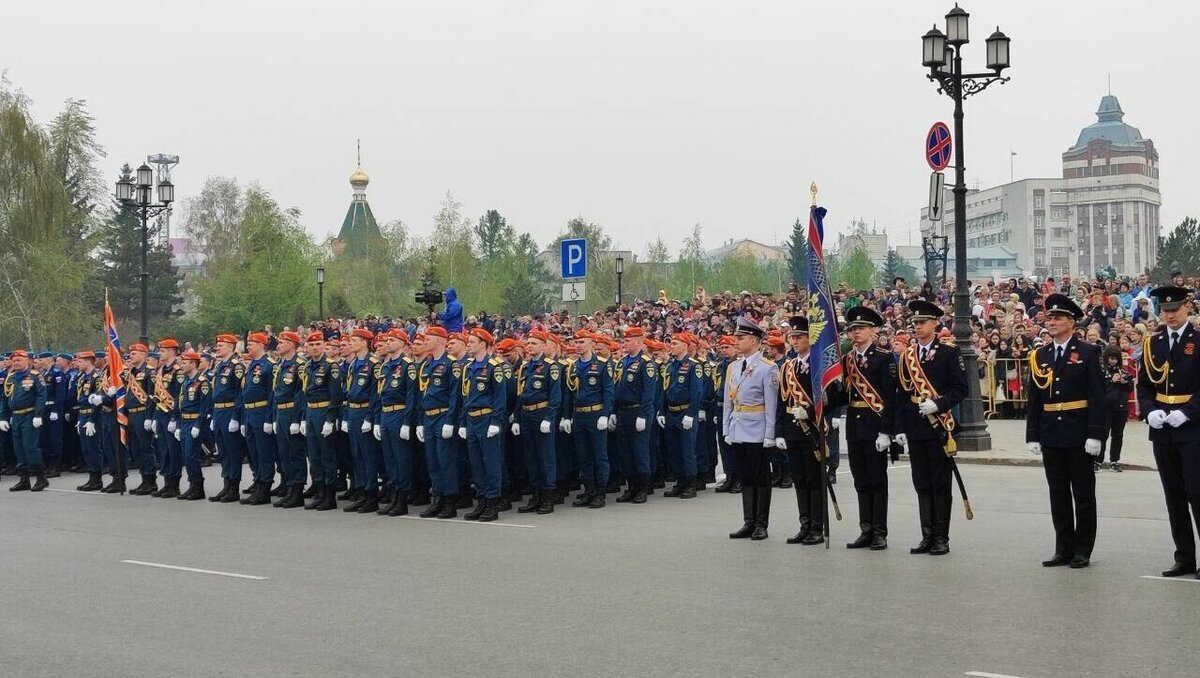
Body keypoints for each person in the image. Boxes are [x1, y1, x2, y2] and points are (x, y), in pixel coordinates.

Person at [1026, 293, 1104, 569]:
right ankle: (1063, 547)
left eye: (1058, 318)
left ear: (1072, 322)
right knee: (1057, 493)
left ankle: (1082, 549)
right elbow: (1035, 398)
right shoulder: (1040, 355)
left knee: (1083, 494)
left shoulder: (1088, 352)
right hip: (1050, 432)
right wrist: (1032, 434)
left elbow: (1097, 397)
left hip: (1079, 431)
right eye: (1050, 318)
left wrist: (1096, 434)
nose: (1053, 322)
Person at [1137, 286, 1200, 578]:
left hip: (1192, 427)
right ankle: (1184, 556)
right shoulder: (1154, 343)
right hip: (1163, 428)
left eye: (1175, 310)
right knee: (1173, 495)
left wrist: (1187, 412)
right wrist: (1149, 410)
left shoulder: (1197, 341)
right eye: (1165, 311)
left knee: (1197, 493)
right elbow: (1145, 385)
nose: (1171, 315)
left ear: (1187, 308)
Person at [895, 300, 968, 556]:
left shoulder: (949, 353)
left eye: (922, 322)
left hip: (939, 426)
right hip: (916, 425)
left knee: (939, 484)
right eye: (914, 323)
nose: (917, 327)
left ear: (935, 324)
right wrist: (901, 427)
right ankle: (927, 535)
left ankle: (941, 537)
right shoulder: (907, 356)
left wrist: (938, 404)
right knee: (921, 483)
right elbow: (902, 394)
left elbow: (961, 389)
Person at [838, 306, 897, 551]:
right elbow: (841, 394)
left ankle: (880, 531)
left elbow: (890, 398)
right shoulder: (847, 360)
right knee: (860, 480)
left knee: (876, 481)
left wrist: (887, 430)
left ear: (873, 331)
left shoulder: (883, 358)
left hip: (875, 425)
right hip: (854, 423)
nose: (856, 333)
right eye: (852, 330)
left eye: (861, 329)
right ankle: (866, 529)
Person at [724, 317, 779, 541]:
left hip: (757, 428)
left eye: (742, 337)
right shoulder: (733, 367)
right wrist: (726, 428)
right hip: (738, 426)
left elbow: (771, 404)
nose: (737, 341)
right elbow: (729, 401)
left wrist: (770, 433)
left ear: (755, 340)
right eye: (737, 337)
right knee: (745, 477)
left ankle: (761, 523)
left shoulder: (768, 368)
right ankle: (749, 521)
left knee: (760, 477)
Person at [774, 316, 825, 545]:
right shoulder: (787, 367)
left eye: (799, 337)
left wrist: (811, 412)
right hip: (793, 432)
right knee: (800, 479)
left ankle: (817, 526)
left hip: (812, 430)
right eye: (792, 337)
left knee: (814, 480)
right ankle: (804, 524)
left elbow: (830, 398)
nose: (795, 341)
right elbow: (782, 402)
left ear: (809, 338)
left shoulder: (819, 366)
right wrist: (780, 432)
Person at [457, 328, 506, 521]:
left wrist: (495, 421)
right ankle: (482, 500)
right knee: (476, 463)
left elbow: (499, 398)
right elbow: (465, 396)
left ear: (483, 344)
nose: (468, 344)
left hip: (487, 419)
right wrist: (462, 421)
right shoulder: (468, 368)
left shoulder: (495, 366)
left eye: (472, 341)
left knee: (491, 462)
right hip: (471, 419)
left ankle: (493, 502)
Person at [513, 330, 561, 514]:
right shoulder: (525, 368)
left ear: (543, 345)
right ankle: (536, 495)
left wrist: (549, 418)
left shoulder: (551, 367)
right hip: (526, 415)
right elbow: (520, 395)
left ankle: (548, 496)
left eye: (534, 343)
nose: (529, 346)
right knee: (531, 457)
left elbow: (555, 396)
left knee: (545, 457)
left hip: (541, 413)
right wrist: (517, 418)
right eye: (528, 343)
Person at [417, 326, 462, 518]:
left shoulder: (452, 364)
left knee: (446, 461)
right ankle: (437, 498)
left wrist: (451, 421)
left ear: (440, 341)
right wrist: (420, 421)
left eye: (429, 338)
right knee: (433, 461)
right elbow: (422, 395)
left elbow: (455, 396)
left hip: (443, 416)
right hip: (428, 417)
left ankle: (450, 501)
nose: (425, 342)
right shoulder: (426, 364)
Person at [565, 330, 612, 509]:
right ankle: (589, 490)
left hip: (595, 413)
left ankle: (600, 493)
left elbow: (608, 391)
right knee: (583, 456)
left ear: (591, 344)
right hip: (579, 415)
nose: (578, 346)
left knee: (599, 456)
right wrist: (567, 417)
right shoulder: (573, 366)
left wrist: (605, 414)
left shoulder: (601, 364)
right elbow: (569, 393)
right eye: (576, 342)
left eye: (582, 342)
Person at [300, 332, 345, 511]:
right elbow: (305, 393)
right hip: (311, 411)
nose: (315, 348)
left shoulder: (331, 366)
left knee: (327, 456)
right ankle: (320, 492)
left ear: (324, 345)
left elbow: (336, 396)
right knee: (314, 455)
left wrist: (330, 419)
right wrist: (303, 417)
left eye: (318, 344)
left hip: (324, 411)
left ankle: (329, 496)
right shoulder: (308, 366)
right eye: (311, 345)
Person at [376, 329, 417, 516]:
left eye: (392, 340)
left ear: (402, 343)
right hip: (385, 415)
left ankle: (402, 500)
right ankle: (393, 497)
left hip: (399, 414)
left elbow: (411, 396)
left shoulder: (407, 366)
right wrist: (377, 420)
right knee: (390, 459)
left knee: (402, 459)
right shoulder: (385, 366)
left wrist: (407, 422)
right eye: (387, 339)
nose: (388, 342)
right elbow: (380, 395)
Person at [613, 327, 656, 504]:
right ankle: (631, 487)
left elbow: (648, 392)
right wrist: (613, 412)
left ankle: (642, 489)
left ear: (639, 342)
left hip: (638, 411)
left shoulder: (646, 363)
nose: (624, 343)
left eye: (628, 340)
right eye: (624, 340)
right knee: (625, 453)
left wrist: (643, 415)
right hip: (623, 411)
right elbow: (616, 388)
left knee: (639, 452)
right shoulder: (622, 362)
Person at [341, 328, 382, 514]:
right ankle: (361, 492)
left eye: (354, 340)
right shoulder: (353, 364)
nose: (351, 343)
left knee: (368, 456)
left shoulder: (374, 364)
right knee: (356, 455)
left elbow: (375, 394)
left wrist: (369, 418)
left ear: (365, 342)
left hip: (365, 410)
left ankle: (371, 494)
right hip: (353, 411)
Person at [660, 333, 703, 499]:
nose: (671, 346)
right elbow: (665, 390)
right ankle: (680, 481)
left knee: (687, 451)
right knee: (674, 450)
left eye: (675, 343)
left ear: (685, 345)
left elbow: (696, 392)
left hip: (685, 412)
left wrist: (691, 414)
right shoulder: (670, 366)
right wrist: (662, 412)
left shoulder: (693, 366)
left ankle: (690, 484)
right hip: (671, 413)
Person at [268, 331, 307, 508]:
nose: (278, 345)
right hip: (281, 411)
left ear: (292, 344)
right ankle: (289, 488)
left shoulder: (300, 365)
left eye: (282, 342)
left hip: (293, 410)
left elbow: (301, 393)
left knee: (295, 453)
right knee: (284, 453)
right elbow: (275, 393)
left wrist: (298, 419)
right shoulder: (280, 364)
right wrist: (274, 417)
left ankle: (297, 491)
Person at [0, 350, 48, 491]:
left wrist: (38, 415)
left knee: (30, 447)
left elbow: (41, 395)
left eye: (19, 360)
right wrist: (3, 417)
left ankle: (41, 477)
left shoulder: (35, 376)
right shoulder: (11, 377)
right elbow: (5, 398)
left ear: (27, 361)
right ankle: (24, 479)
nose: (16, 363)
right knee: (19, 448)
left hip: (29, 415)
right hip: (16, 416)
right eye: (14, 361)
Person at [238, 332, 277, 505]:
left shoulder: (269, 365)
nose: (248, 346)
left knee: (264, 452)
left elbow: (271, 394)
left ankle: (264, 489)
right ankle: (258, 484)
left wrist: (269, 418)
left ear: (261, 344)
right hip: (249, 413)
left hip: (261, 411)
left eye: (252, 343)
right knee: (253, 453)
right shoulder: (252, 365)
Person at [173, 350, 211, 500]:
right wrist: (177, 425)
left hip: (195, 421)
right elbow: (180, 404)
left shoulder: (202, 382)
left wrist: (198, 424)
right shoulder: (186, 382)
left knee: (191, 455)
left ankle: (198, 487)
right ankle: (192, 485)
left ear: (193, 364)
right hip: (184, 421)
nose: (182, 365)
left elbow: (205, 405)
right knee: (186, 457)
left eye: (184, 362)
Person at [1099, 346, 1132, 473]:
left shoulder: (1122, 370)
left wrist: (1125, 381)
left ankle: (1115, 460)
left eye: (1116, 359)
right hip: (1106, 408)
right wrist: (1111, 381)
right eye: (1111, 358)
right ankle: (1098, 460)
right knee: (1103, 434)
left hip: (1121, 407)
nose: (1113, 361)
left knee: (1118, 435)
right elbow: (1098, 389)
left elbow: (1129, 388)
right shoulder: (1102, 371)